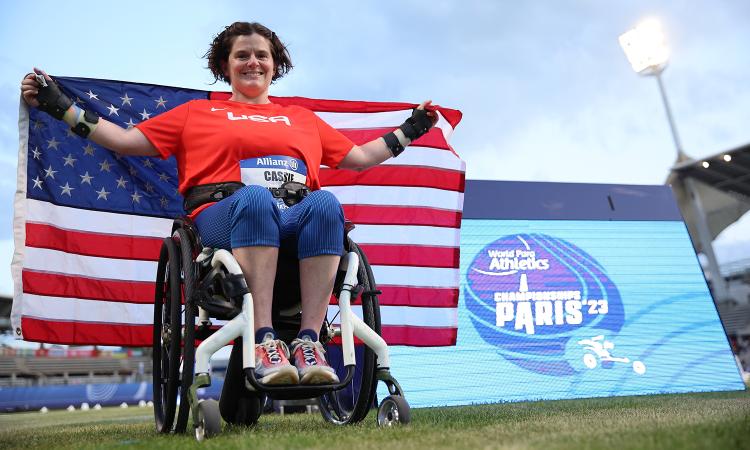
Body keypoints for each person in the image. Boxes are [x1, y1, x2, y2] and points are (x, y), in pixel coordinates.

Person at [21, 22, 436, 390]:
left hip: (292, 216)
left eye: (262, 55)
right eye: (242, 55)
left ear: (275, 65)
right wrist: (61, 107)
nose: (253, 62)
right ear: (225, 65)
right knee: (253, 198)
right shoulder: (196, 114)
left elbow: (359, 158)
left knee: (326, 203)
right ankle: (266, 342)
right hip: (222, 218)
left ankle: (310, 343)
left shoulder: (303, 119)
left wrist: (409, 131)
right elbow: (125, 142)